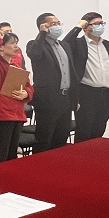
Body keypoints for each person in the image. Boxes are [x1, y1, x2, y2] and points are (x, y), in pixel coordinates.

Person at [26, 13, 79, 153]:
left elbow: (72, 73)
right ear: (43, 26)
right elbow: (34, 54)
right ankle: (39, 165)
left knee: (61, 138)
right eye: (53, 24)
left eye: (58, 23)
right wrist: (42, 34)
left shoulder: (64, 45)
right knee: (44, 139)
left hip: (65, 98)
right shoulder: (35, 45)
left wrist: (75, 98)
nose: (58, 26)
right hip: (47, 99)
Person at [63, 12, 109, 142]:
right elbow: (64, 44)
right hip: (86, 93)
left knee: (99, 129)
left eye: (102, 23)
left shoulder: (107, 44)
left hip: (106, 93)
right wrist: (78, 27)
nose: (101, 26)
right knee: (84, 129)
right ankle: (81, 155)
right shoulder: (78, 43)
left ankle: (95, 154)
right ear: (86, 27)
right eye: (97, 24)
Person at [0, 31, 33, 163]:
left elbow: (28, 86)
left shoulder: (16, 66)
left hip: (17, 115)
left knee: (12, 157)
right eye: (12, 43)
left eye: (17, 43)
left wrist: (26, 93)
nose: (16, 46)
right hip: (1, 116)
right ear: (1, 47)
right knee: (0, 157)